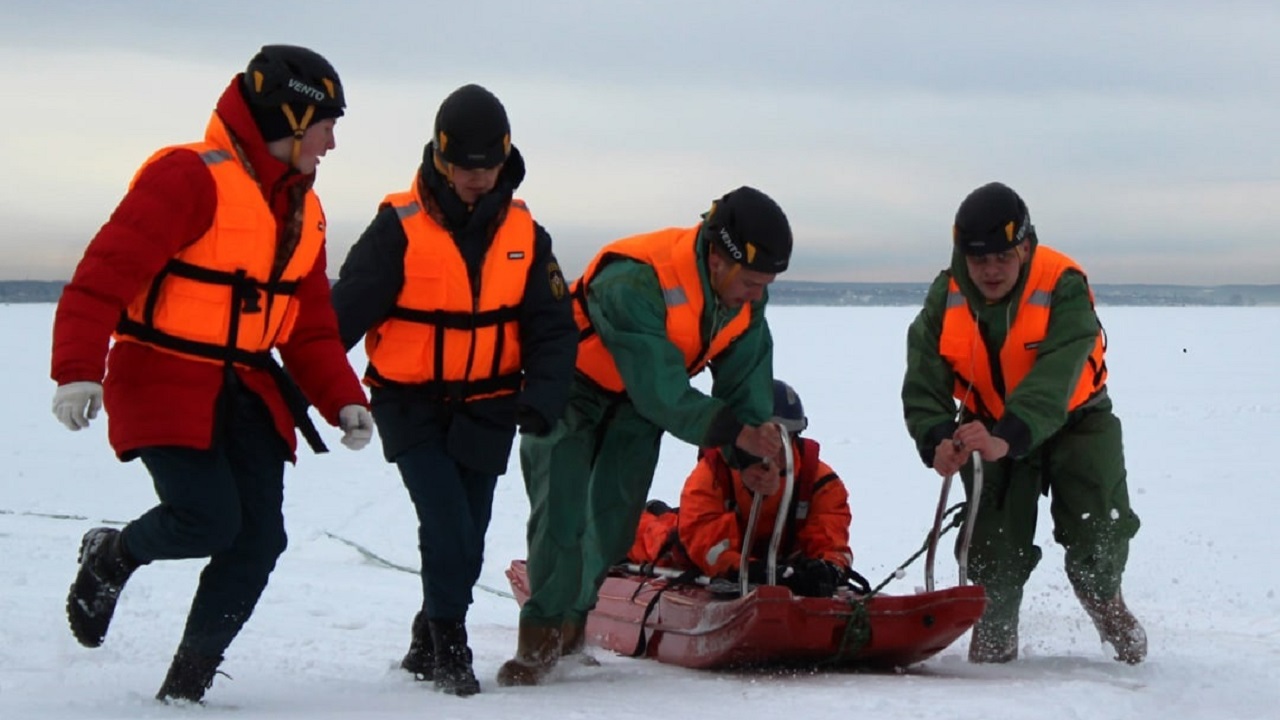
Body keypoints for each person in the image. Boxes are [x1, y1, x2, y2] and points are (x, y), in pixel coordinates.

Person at [50, 45, 374, 704]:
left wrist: (344, 399)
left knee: (259, 539)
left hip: (248, 389)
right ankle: (113, 555)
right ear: (289, 115)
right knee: (206, 517)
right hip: (162, 377)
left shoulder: (302, 210)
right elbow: (102, 277)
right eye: (326, 124)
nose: (332, 142)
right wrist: (77, 369)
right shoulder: (187, 177)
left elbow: (308, 325)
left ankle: (186, 687)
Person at [330, 83, 576, 697]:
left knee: (469, 535)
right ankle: (449, 645)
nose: (479, 178)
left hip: (490, 403)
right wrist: (313, 388)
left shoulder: (525, 232)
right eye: (467, 167)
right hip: (408, 402)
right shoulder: (397, 227)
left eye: (489, 166)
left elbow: (552, 327)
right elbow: (339, 319)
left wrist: (543, 397)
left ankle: (423, 635)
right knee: (446, 525)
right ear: (439, 158)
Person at [497, 185, 793, 687]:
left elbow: (746, 381)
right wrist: (733, 432)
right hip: (571, 388)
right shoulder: (634, 278)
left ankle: (573, 629)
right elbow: (662, 389)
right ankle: (540, 639)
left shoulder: (744, 302)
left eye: (766, 284)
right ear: (719, 259)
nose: (757, 294)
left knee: (614, 523)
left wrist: (750, 457)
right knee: (561, 513)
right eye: (752, 281)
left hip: (635, 408)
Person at [900, 181, 1146, 664]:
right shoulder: (945, 294)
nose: (991, 270)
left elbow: (1054, 379)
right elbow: (924, 375)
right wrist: (936, 439)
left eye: (1003, 257)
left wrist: (1004, 437)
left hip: (1077, 422)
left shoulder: (1063, 284)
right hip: (988, 424)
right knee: (993, 557)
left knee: (1097, 540)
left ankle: (1113, 616)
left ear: (1026, 246)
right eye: (978, 260)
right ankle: (993, 664)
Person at [629, 380, 854, 600]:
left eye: (780, 440)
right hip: (714, 549)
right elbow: (705, 542)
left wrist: (829, 569)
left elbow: (831, 535)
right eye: (762, 440)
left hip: (781, 559)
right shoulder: (713, 476)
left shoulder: (819, 481)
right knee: (660, 542)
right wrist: (746, 569)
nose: (771, 451)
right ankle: (620, 526)